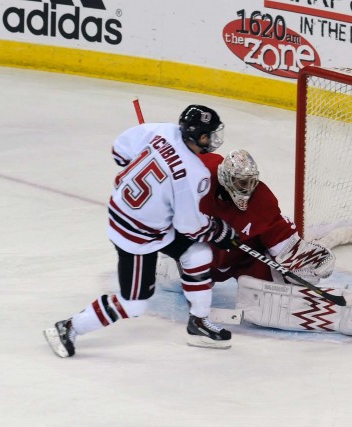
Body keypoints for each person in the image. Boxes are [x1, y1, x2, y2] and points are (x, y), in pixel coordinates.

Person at [43, 105, 238, 358]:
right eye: (207, 135)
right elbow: (189, 226)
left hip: (137, 215)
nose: (212, 140)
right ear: (197, 135)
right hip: (137, 236)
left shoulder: (162, 130)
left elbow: (120, 151)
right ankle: (68, 327)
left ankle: (198, 322)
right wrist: (218, 231)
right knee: (133, 303)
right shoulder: (194, 173)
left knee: (197, 255)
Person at [157, 149, 352, 336]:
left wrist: (306, 258)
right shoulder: (201, 178)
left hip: (243, 259)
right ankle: (168, 267)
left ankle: (342, 317)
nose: (247, 188)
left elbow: (284, 244)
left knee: (271, 300)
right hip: (201, 256)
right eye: (240, 182)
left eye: (250, 182)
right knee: (171, 278)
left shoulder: (261, 200)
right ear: (225, 179)